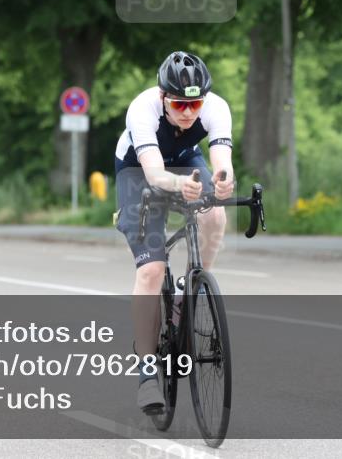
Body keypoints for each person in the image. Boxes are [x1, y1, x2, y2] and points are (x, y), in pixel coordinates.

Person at [113, 51, 235, 413]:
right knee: (151, 270)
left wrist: (224, 182)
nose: (188, 111)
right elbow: (155, 175)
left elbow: (222, 163)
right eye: (180, 104)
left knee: (214, 213)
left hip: (184, 156)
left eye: (195, 103)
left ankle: (194, 287)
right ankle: (147, 370)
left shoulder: (216, 107)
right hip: (138, 169)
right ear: (163, 96)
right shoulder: (142, 109)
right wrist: (180, 184)